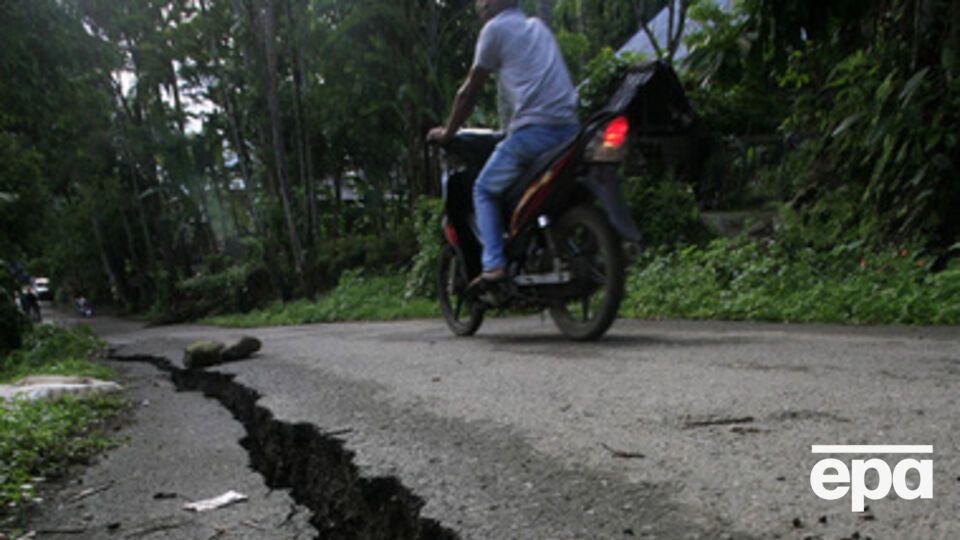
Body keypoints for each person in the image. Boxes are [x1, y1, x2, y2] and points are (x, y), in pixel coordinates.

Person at [427, 0, 579, 286]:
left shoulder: (494, 30)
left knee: (483, 189)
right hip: (570, 132)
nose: (479, 5)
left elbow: (469, 92)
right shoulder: (538, 28)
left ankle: (494, 265)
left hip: (533, 134)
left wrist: (447, 132)